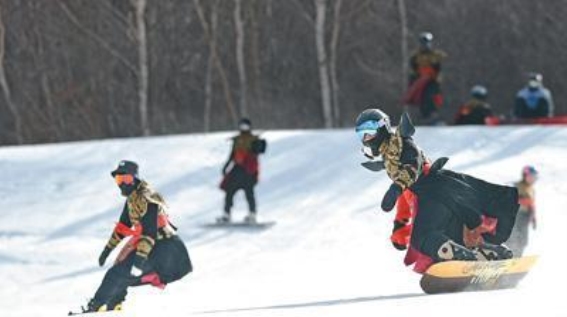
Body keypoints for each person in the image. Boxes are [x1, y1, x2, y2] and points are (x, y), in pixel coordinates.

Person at [355, 108, 519, 273]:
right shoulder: (390, 156)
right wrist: (400, 222)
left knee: (423, 237)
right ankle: (490, 255)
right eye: (361, 135)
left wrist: (395, 188)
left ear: (382, 127)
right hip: (432, 194)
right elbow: (408, 191)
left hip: (434, 192)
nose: (366, 138)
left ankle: (465, 259)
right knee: (445, 240)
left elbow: (413, 166)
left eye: (369, 131)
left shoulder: (402, 143)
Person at [79, 160, 192, 313]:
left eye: (126, 179)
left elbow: (149, 232)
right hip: (150, 246)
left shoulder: (147, 197)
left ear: (135, 178)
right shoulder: (132, 198)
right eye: (119, 180)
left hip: (165, 248)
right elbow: (123, 227)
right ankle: (113, 305)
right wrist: (107, 250)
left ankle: (96, 306)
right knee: (119, 270)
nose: (122, 184)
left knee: (117, 273)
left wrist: (139, 261)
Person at [218, 118, 266, 224]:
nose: (244, 128)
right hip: (237, 169)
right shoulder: (237, 140)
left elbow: (258, 152)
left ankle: (252, 214)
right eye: (242, 126)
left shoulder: (253, 139)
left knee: (249, 192)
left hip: (249, 170)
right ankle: (226, 214)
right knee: (229, 190)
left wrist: (257, 144)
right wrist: (226, 166)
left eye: (246, 126)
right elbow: (232, 155)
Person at [403, 32, 447, 124]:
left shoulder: (436, 55)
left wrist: (437, 78)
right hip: (420, 81)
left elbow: (440, 68)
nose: (425, 45)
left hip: (432, 81)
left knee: (432, 97)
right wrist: (413, 82)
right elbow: (413, 70)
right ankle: (425, 117)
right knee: (422, 98)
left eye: (427, 43)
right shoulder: (415, 56)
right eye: (423, 43)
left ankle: (433, 115)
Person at [506, 166, 538, 257]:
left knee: (523, 240)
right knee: (513, 238)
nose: (533, 179)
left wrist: (533, 218)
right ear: (525, 175)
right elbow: (511, 199)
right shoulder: (517, 186)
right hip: (516, 215)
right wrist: (522, 200)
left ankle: (517, 258)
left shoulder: (531, 189)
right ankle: (508, 256)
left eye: (534, 177)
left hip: (525, 217)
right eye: (531, 176)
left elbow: (531, 204)